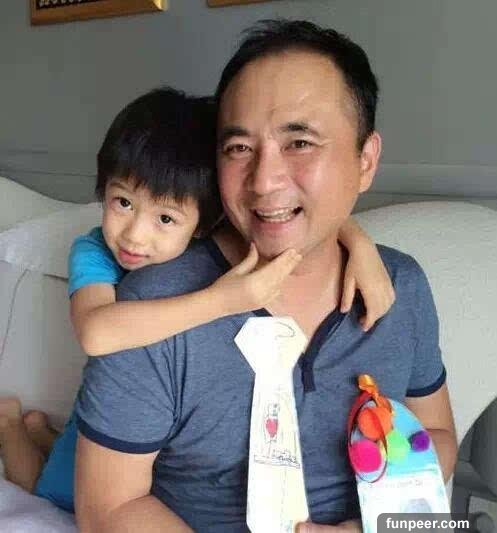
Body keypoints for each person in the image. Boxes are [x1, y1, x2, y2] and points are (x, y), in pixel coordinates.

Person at [73, 19, 457, 532]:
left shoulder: (400, 286)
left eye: (299, 142)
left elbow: (437, 434)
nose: (264, 180)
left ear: (365, 161)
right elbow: (109, 508)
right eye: (239, 148)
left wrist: (373, 526)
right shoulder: (153, 308)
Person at [0, 86, 393, 514]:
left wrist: (359, 243)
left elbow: (304, 223)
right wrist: (225, 300)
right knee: (50, 489)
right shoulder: (94, 251)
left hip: (152, 427)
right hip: (112, 408)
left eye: (165, 218)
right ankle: (11, 427)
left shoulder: (207, 238)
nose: (134, 235)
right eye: (123, 202)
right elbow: (96, 332)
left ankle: (40, 430)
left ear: (206, 222)